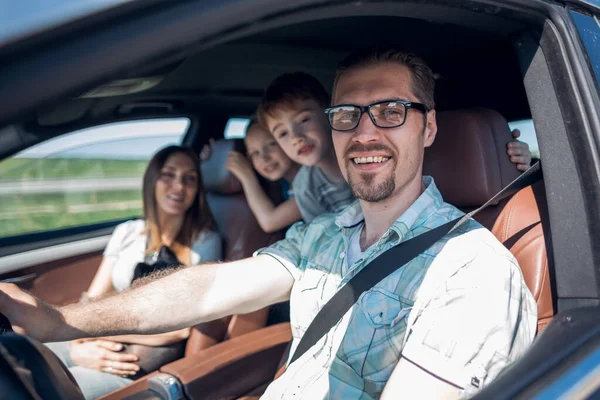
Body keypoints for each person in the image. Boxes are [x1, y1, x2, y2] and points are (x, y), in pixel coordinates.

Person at [0, 47, 536, 400]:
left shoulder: (472, 271)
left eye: (391, 111)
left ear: (429, 128)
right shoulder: (324, 232)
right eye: (347, 115)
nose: (366, 133)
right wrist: (60, 322)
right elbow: (211, 286)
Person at [205, 75, 531, 233]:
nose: (296, 137)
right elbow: (325, 241)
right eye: (283, 133)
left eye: (304, 120)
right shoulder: (306, 185)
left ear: (331, 115)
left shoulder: (394, 162)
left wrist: (512, 158)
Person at [45, 145, 222, 399]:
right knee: (22, 359)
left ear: (198, 189)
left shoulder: (205, 242)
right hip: (96, 338)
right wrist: (78, 346)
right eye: (168, 175)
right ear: (152, 181)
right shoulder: (127, 232)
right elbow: (93, 298)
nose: (179, 186)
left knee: (46, 391)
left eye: (189, 178)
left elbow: (180, 328)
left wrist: (96, 334)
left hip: (131, 358)